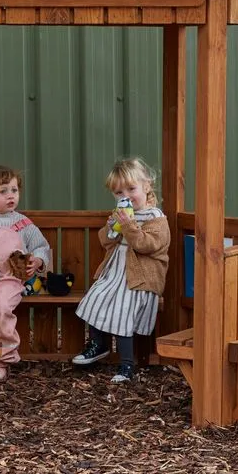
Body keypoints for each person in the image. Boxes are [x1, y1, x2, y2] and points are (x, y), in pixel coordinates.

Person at [72, 158, 170, 383]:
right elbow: (106, 242)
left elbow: (148, 245)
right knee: (94, 298)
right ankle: (100, 344)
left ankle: (126, 365)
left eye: (131, 189)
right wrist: (112, 228)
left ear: (146, 186)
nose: (125, 195)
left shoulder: (156, 217)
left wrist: (128, 225)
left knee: (122, 311)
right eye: (118, 192)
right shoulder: (121, 214)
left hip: (140, 280)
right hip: (115, 274)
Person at [0, 166, 52, 382]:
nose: (11, 196)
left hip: (9, 281)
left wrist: (38, 260)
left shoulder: (23, 224)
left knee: (1, 308)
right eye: (3, 191)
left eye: (14, 190)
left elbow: (41, 246)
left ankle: (0, 360)